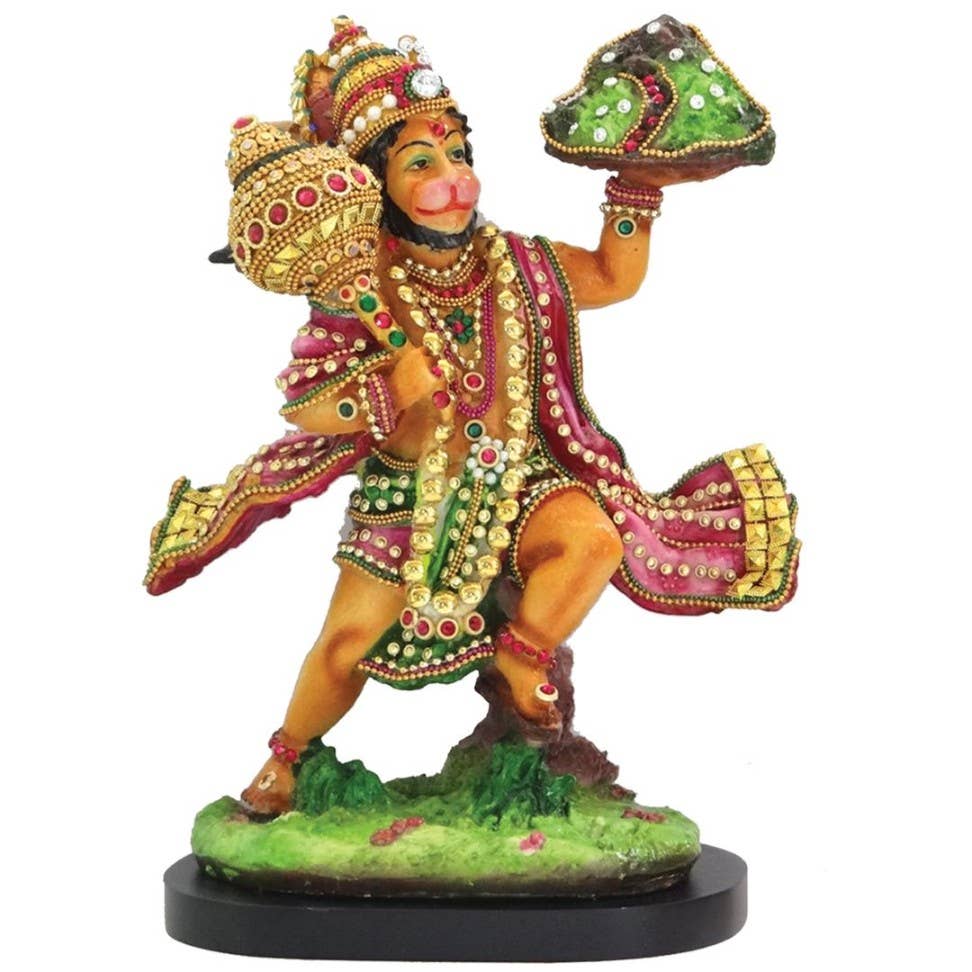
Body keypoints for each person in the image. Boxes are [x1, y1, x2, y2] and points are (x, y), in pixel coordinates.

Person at [145, 17, 800, 817]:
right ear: (374, 185)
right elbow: (307, 401)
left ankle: (523, 658)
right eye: (421, 162)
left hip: (521, 480)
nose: (452, 177)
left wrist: (637, 187)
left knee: (593, 540)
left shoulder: (514, 262)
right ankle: (285, 759)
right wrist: (389, 389)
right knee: (345, 650)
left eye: (458, 153)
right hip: (407, 502)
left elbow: (611, 276)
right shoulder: (360, 283)